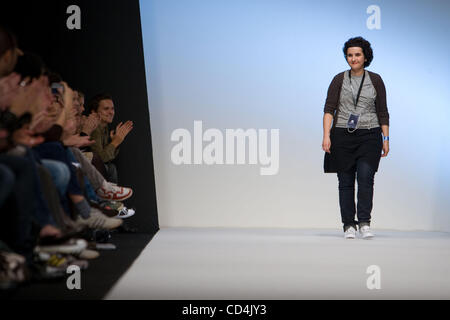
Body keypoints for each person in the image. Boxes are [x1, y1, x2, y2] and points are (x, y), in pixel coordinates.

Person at [322, 36, 390, 240]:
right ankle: (348, 225)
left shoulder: (375, 80)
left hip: (370, 134)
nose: (353, 58)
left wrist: (386, 138)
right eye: (350, 55)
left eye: (357, 54)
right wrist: (326, 136)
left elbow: (383, 112)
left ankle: (364, 223)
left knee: (366, 177)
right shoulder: (339, 79)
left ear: (365, 56)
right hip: (342, 134)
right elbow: (328, 110)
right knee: (345, 181)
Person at [88, 93, 133, 183]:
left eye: (112, 109)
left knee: (111, 167)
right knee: (111, 168)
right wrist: (115, 142)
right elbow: (100, 160)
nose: (111, 112)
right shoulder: (94, 129)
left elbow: (107, 158)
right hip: (87, 170)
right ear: (94, 112)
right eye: (106, 109)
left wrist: (114, 142)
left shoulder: (104, 128)